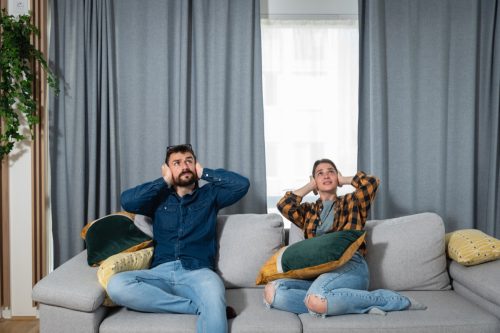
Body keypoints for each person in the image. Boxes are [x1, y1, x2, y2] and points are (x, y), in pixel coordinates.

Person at [107, 144, 250, 333]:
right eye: (177, 163)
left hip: (199, 273)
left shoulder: (210, 195)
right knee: (116, 285)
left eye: (188, 161)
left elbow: (242, 185)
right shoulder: (158, 198)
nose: (184, 166)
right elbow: (127, 201)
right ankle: (197, 308)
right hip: (160, 273)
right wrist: (164, 181)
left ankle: (210, 307)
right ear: (167, 169)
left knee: (214, 295)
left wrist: (203, 172)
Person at [263, 158, 426, 317]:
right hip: (318, 272)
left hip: (351, 265)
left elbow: (372, 182)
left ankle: (392, 300)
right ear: (315, 182)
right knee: (273, 292)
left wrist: (343, 179)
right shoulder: (308, 211)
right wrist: (310, 185)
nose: (326, 175)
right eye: (320, 173)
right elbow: (284, 205)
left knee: (316, 297)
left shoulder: (353, 202)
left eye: (331, 172)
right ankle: (341, 303)